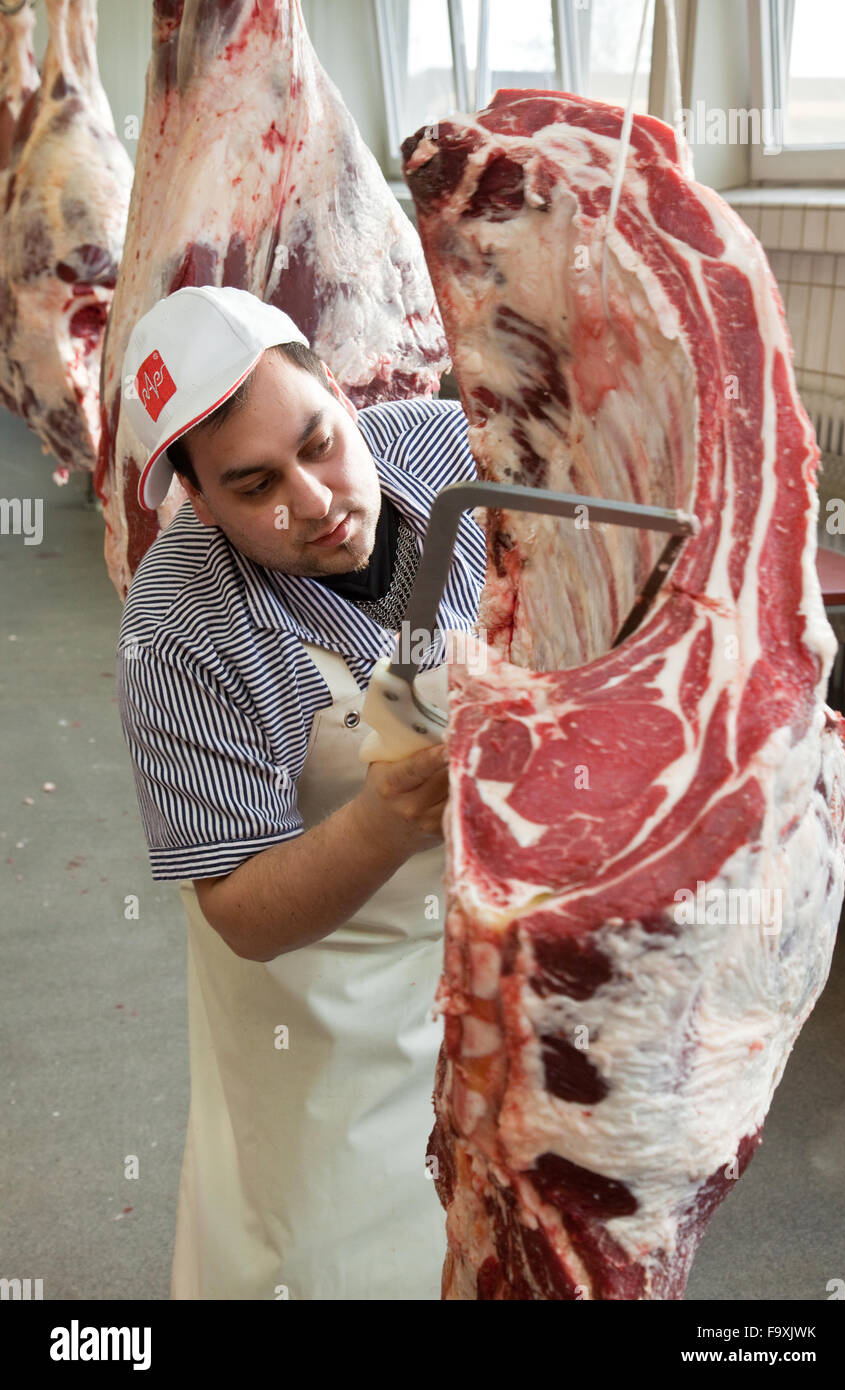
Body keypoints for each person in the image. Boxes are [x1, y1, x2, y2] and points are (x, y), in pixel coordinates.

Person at [114, 284, 485, 1299]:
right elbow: (241, 910)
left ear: (335, 388)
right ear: (196, 494)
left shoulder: (456, 450)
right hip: (320, 1017)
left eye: (319, 442)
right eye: (254, 485)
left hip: (498, 970)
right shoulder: (178, 628)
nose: (315, 502)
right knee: (328, 1259)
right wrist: (391, 812)